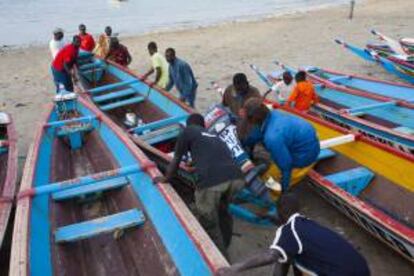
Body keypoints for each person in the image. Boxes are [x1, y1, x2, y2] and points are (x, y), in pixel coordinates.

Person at [155, 113, 244, 256]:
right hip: (236, 178)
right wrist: (195, 165)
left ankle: (221, 261)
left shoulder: (188, 131)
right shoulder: (214, 137)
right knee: (223, 211)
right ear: (203, 125)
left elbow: (176, 159)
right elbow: (215, 158)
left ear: (189, 125)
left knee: (209, 225)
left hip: (213, 181)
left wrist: (166, 179)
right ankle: (226, 244)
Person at [217, 194, 370, 276]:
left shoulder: (288, 231)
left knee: (282, 255)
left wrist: (234, 269)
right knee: (289, 253)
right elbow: (288, 231)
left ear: (280, 211)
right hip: (362, 268)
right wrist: (271, 218)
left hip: (342, 273)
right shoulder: (307, 223)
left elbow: (270, 257)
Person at [240, 98, 320, 192]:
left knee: (267, 180)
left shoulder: (272, 138)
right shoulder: (275, 113)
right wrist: (243, 143)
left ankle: (278, 193)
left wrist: (284, 191)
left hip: (305, 157)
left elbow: (286, 167)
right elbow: (258, 132)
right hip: (310, 142)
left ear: (253, 119)